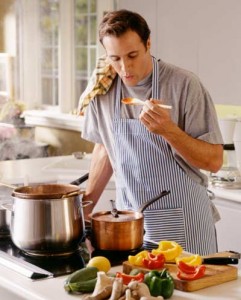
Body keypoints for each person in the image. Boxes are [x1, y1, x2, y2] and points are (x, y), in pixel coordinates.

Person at [80, 9, 224, 255]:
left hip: (185, 221)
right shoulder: (102, 90)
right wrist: (84, 210)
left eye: (132, 55)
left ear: (148, 43)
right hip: (128, 223)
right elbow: (106, 148)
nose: (125, 68)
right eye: (115, 58)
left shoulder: (184, 85)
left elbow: (213, 161)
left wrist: (169, 131)